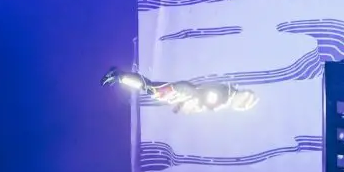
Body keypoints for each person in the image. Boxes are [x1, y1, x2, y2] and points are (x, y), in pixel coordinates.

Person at [102, 68, 258, 114]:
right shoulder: (225, 93)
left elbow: (201, 99)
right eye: (244, 104)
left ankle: (119, 76)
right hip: (182, 91)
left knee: (150, 88)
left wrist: (181, 105)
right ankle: (119, 76)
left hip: (181, 94)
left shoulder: (226, 96)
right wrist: (176, 93)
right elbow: (201, 94)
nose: (241, 107)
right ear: (243, 96)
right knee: (150, 88)